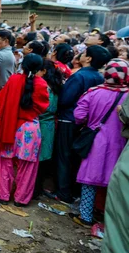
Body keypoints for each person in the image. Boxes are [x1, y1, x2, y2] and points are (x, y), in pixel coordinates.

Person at [70, 59, 129, 227]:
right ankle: (105, 216)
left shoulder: (94, 92)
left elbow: (79, 116)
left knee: (90, 178)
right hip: (121, 143)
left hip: (96, 141)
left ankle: (86, 216)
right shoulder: (127, 96)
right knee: (113, 180)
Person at [50, 45, 112, 204]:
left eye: (84, 53)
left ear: (89, 59)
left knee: (63, 156)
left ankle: (63, 193)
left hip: (69, 119)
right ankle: (74, 190)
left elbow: (65, 99)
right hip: (87, 122)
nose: (81, 55)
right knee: (76, 157)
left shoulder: (79, 76)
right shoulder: (99, 77)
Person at [0, 54, 49, 206]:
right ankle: (21, 199)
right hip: (30, 128)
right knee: (27, 167)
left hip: (11, 127)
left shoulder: (14, 80)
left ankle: (2, 195)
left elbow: (0, 99)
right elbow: (43, 107)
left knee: (5, 162)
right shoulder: (42, 84)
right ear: (39, 68)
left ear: (22, 65)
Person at [102, 93, 129, 253]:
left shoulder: (95, 91)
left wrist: (121, 112)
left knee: (119, 236)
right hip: (115, 146)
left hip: (99, 141)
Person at [34, 60, 63, 198]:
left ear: (44, 71)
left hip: (41, 124)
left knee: (36, 159)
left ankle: (33, 188)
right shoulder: (54, 85)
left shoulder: (45, 87)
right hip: (49, 125)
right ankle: (36, 188)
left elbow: (46, 108)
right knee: (42, 159)